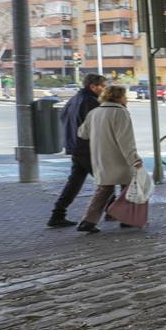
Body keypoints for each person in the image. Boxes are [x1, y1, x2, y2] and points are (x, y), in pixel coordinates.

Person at [76, 85, 143, 233]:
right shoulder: (121, 113)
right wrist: (135, 159)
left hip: (100, 157)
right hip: (120, 158)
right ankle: (126, 219)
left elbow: (82, 133)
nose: (127, 99)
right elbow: (125, 140)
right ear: (118, 97)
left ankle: (88, 221)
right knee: (128, 188)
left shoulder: (94, 112)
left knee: (104, 189)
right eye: (125, 96)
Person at [48, 73, 107, 228]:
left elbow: (63, 118)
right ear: (93, 87)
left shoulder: (74, 99)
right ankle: (105, 214)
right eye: (102, 86)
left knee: (75, 182)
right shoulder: (91, 102)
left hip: (75, 146)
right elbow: (96, 126)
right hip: (87, 147)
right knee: (106, 182)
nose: (104, 89)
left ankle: (57, 214)